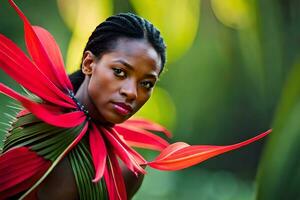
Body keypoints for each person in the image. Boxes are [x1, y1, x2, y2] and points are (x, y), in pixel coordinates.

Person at [0, 1, 271, 200]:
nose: (132, 92)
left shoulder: (128, 171)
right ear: (88, 63)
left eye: (146, 84)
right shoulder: (40, 118)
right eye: (120, 72)